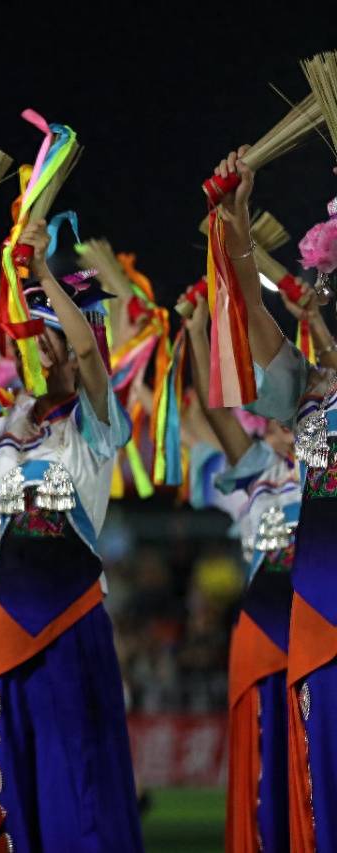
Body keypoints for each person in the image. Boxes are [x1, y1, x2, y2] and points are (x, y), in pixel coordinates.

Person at [0, 220, 142, 851]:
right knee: (8, 773)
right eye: (26, 342)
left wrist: (44, 274)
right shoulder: (1, 421)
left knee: (74, 776)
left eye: (45, 341)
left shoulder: (95, 426)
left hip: (69, 618)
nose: (38, 354)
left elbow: (87, 356)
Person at [215, 148, 337, 849]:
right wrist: (231, 231)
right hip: (318, 610)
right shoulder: (308, 394)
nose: (322, 296)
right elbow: (250, 318)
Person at [184, 290, 298, 851]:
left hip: (318, 628)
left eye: (294, 420)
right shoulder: (255, 472)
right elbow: (211, 410)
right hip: (262, 631)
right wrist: (196, 331)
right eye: (275, 422)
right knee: (265, 755)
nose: (285, 431)